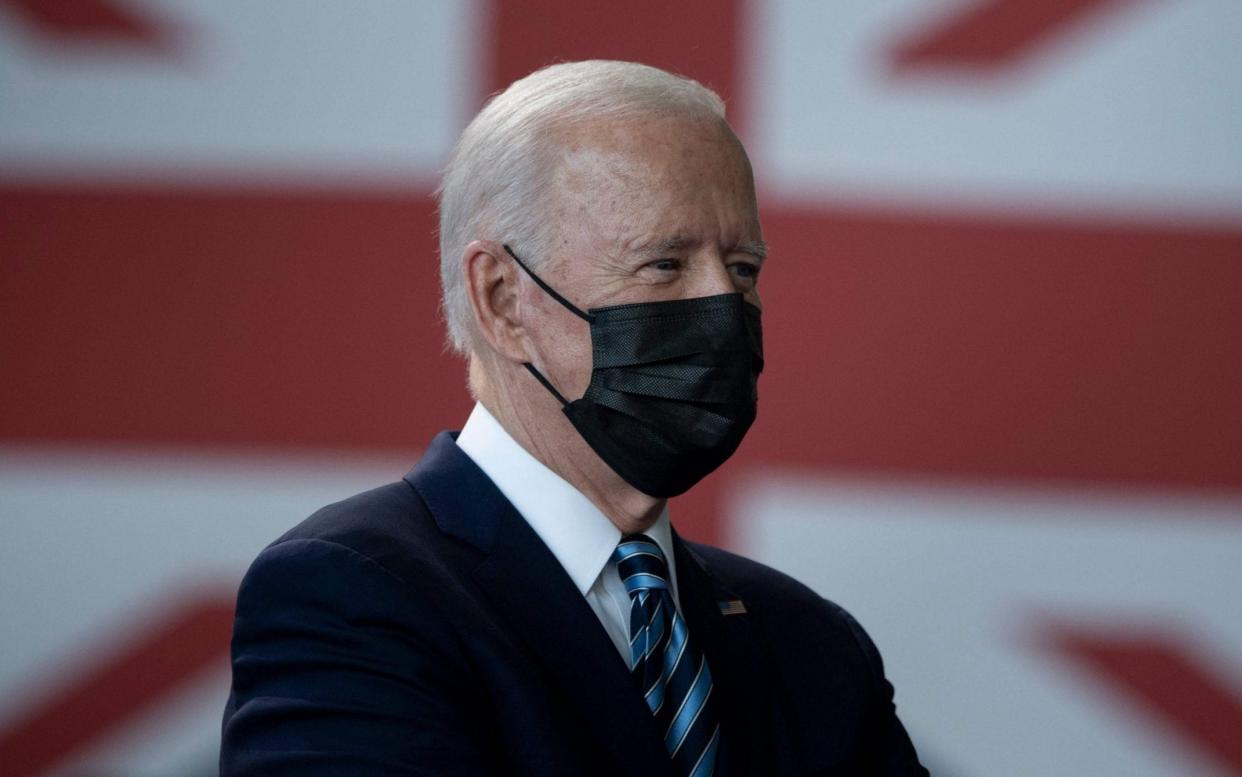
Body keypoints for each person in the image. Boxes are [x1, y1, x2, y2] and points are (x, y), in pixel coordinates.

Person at [221, 60, 928, 776]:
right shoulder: (354, 595)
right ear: (502, 299)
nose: (723, 307)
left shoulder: (810, 643)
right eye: (663, 263)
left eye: (743, 268)